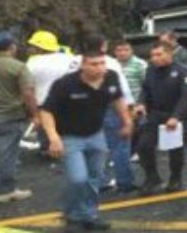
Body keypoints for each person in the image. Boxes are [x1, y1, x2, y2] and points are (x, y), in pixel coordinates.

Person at [40, 50, 133, 231]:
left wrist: (127, 121)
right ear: (83, 65)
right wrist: (53, 137)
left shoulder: (110, 77)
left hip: (96, 135)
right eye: (93, 64)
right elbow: (46, 110)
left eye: (102, 63)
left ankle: (89, 215)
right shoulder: (66, 84)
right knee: (78, 178)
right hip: (69, 137)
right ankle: (73, 214)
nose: (99, 68)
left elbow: (118, 99)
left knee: (94, 178)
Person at [73, 34, 137, 194]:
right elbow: (122, 89)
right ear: (103, 46)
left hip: (84, 108)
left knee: (94, 146)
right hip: (109, 106)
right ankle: (125, 182)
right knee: (120, 145)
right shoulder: (108, 63)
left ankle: (97, 182)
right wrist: (129, 110)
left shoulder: (75, 62)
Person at [134, 41, 187, 194]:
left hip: (175, 114)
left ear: (169, 54)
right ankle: (152, 176)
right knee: (143, 146)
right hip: (155, 114)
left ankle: (175, 178)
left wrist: (176, 116)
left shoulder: (182, 71)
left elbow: (186, 96)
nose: (155, 58)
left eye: (159, 54)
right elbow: (145, 90)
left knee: (175, 150)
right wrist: (141, 103)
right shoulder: (151, 70)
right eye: (153, 55)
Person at [0, 31, 38, 203]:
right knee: (7, 155)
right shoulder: (18, 67)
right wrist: (34, 114)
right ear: (12, 47)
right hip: (9, 117)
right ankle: (6, 190)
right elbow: (28, 93)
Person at [26, 30, 75, 154]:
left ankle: (48, 150)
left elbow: (27, 85)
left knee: (46, 129)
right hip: (68, 100)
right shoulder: (69, 58)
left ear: (39, 47)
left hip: (43, 101)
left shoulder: (33, 62)